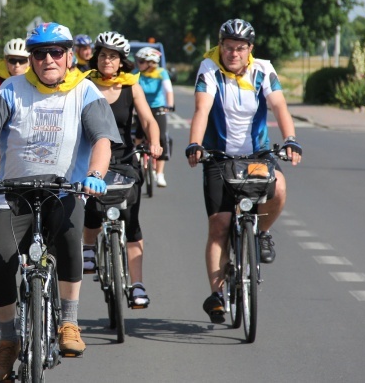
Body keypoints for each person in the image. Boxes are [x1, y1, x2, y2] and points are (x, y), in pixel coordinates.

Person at [0, 22, 121, 382]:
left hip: (64, 189)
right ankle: (7, 343)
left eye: (55, 52)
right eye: (39, 53)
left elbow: (102, 141)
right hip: (13, 192)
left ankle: (69, 321)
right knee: (0, 259)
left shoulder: (85, 90)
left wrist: (95, 174)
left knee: (68, 240)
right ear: (31, 59)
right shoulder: (11, 89)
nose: (48, 59)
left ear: (68, 56)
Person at [185, 18, 302, 324]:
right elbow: (201, 109)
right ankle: (217, 295)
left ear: (250, 49)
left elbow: (279, 106)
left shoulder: (263, 69)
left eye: (240, 48)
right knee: (220, 226)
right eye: (228, 47)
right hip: (218, 156)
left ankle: (261, 233)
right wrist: (195, 144)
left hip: (256, 155)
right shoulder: (209, 68)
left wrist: (290, 139)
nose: (233, 53)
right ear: (219, 46)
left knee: (279, 187)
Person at [82, 31, 162, 307]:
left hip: (125, 157)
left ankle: (137, 284)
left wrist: (154, 142)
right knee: (92, 204)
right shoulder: (84, 84)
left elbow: (149, 120)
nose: (107, 60)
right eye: (103, 55)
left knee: (130, 218)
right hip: (92, 157)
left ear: (121, 62)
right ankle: (89, 248)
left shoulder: (131, 86)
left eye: (113, 57)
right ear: (96, 57)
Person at [135, 46, 175, 187]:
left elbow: (168, 89)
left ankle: (159, 174)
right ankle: (136, 158)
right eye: (138, 61)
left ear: (150, 62)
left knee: (162, 138)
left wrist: (169, 105)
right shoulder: (136, 74)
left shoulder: (161, 73)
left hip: (158, 107)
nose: (138, 63)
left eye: (141, 61)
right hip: (141, 107)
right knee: (138, 133)